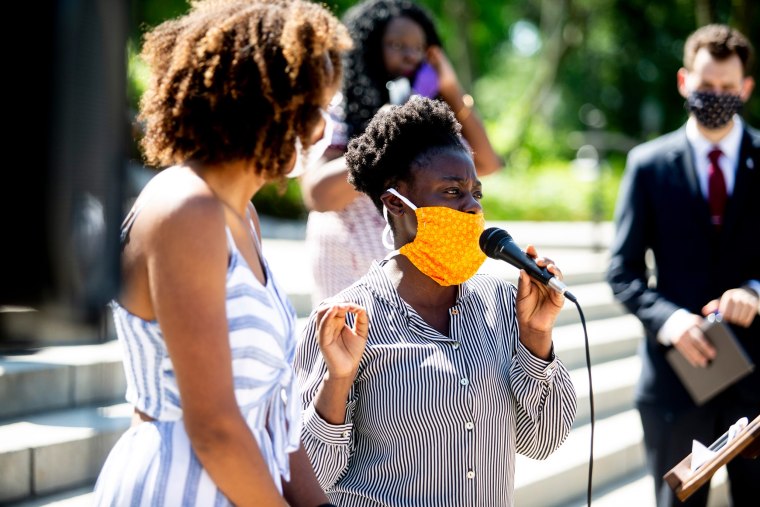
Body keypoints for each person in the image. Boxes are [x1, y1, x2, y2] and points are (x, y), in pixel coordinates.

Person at [92, 1, 352, 505]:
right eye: (316, 110)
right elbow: (213, 426)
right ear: (265, 102)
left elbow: (272, 413)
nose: (323, 131)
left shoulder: (242, 217)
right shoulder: (187, 211)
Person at [293, 96, 576, 506]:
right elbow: (310, 481)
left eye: (476, 193)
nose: (473, 206)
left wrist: (536, 336)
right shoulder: (346, 322)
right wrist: (337, 381)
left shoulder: (502, 303)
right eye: (452, 191)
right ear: (395, 202)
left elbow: (544, 439)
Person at [606, 24, 760, 507]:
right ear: (683, 82)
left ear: (746, 89)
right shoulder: (647, 165)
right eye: (706, 85)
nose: (716, 96)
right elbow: (622, 271)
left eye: (727, 89)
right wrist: (671, 322)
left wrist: (756, 290)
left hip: (756, 383)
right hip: (674, 388)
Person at [299, 0, 503, 306]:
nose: (410, 54)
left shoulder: (433, 116)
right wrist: (386, 132)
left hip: (421, 271)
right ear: (370, 47)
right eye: (397, 45)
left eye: (419, 47)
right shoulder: (338, 111)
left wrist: (451, 88)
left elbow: (487, 163)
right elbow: (318, 195)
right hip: (351, 261)